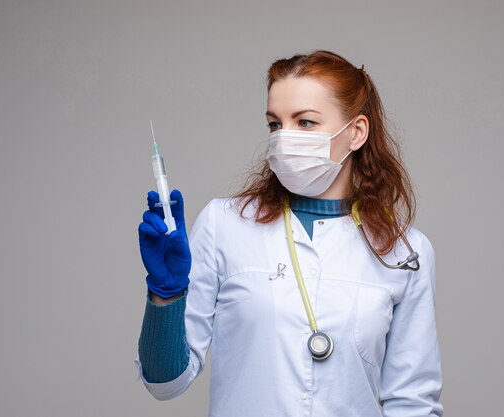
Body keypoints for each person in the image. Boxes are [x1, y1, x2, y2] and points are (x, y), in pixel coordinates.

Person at [135, 50, 443, 417]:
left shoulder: (404, 251)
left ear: (356, 132)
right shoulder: (224, 224)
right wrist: (164, 297)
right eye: (275, 125)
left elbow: (413, 403)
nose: (284, 139)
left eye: (306, 123)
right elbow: (166, 383)